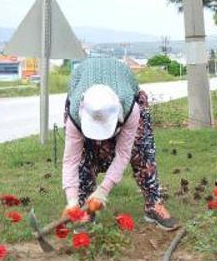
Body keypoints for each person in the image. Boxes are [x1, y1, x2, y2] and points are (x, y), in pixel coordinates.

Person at [61, 57, 179, 231]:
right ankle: (82, 206)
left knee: (142, 150)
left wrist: (103, 191)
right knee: (84, 156)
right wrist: (70, 200)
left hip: (127, 98)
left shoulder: (130, 108)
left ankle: (153, 204)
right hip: (82, 94)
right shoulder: (76, 114)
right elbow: (70, 160)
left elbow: (124, 154)